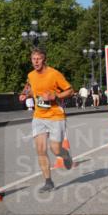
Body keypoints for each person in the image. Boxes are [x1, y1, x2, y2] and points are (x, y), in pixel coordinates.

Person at [26, 48, 74, 192]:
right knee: (40, 150)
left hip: (55, 116)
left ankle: (65, 155)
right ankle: (48, 182)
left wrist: (56, 96)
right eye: (33, 59)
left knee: (55, 149)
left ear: (44, 60)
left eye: (38, 59)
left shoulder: (54, 74)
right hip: (39, 116)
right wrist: (25, 94)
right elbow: (31, 88)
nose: (36, 62)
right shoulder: (31, 75)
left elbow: (70, 90)